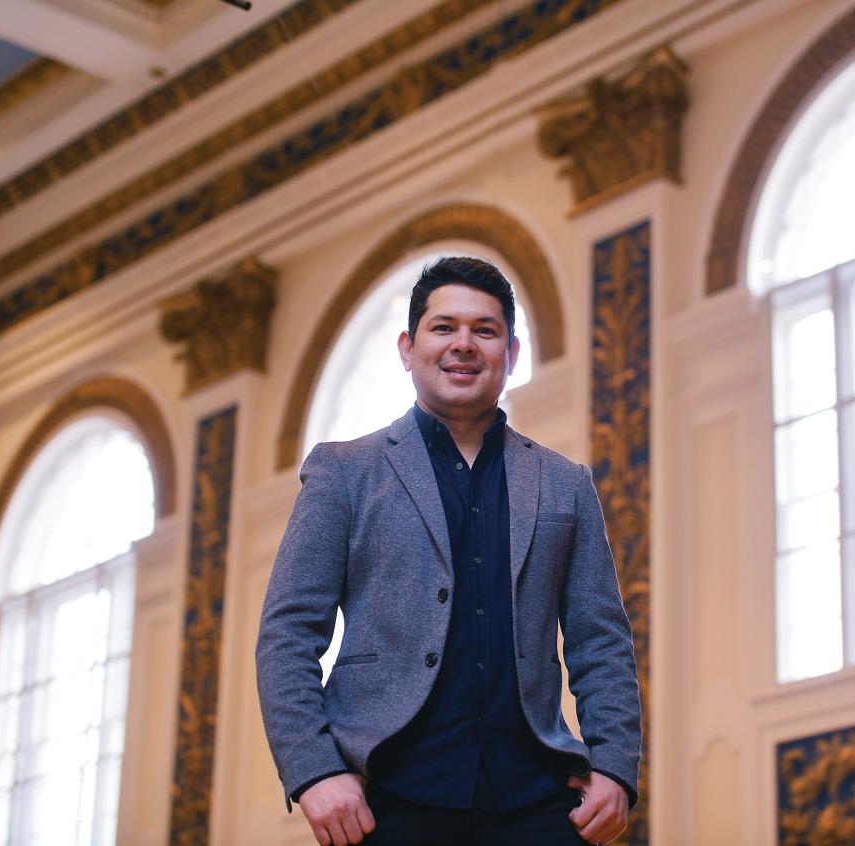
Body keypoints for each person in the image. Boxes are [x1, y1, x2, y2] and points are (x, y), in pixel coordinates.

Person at [256, 256, 641, 846]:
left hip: (539, 802)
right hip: (388, 800)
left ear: (510, 355)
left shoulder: (566, 483)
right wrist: (315, 772)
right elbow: (287, 633)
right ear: (408, 349)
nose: (464, 344)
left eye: (484, 331)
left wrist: (615, 767)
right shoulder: (345, 472)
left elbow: (600, 639)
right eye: (444, 328)